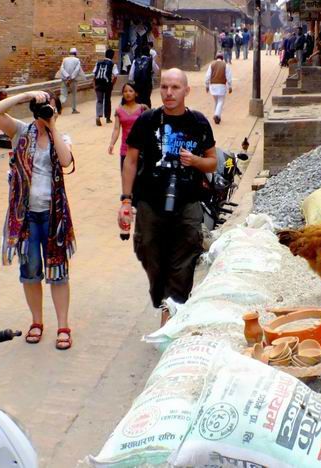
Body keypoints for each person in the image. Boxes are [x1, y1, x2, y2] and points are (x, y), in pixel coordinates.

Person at [118, 68, 217, 327]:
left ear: (186, 90)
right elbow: (130, 161)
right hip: (150, 203)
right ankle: (165, 300)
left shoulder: (198, 122)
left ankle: (171, 317)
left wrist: (195, 161)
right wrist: (126, 201)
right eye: (164, 87)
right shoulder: (147, 120)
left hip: (187, 203)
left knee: (183, 259)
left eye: (175, 87)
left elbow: (213, 163)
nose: (169, 93)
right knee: (149, 252)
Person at [0, 90, 76, 350]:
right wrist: (25, 95)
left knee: (58, 271)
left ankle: (63, 325)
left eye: (50, 107)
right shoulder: (19, 131)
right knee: (29, 271)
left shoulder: (60, 137)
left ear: (57, 111)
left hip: (53, 216)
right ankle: (36, 321)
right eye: (41, 108)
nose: (45, 112)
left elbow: (65, 160)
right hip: (25, 216)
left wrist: (52, 126)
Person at [108, 82, 149, 171]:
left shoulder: (143, 108)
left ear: (136, 93)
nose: (128, 93)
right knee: (126, 178)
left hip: (141, 149)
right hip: (125, 149)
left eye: (131, 91)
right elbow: (116, 129)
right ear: (122, 94)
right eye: (125, 91)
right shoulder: (119, 111)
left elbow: (150, 127)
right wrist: (112, 143)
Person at [93, 49, 119, 126]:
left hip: (98, 84)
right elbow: (115, 76)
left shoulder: (98, 62)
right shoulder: (113, 64)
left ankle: (98, 115)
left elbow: (94, 75)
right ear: (113, 56)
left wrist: (94, 85)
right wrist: (112, 84)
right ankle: (108, 118)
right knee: (107, 100)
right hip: (107, 85)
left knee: (99, 100)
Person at [205, 53, 233, 124]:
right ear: (222, 58)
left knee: (216, 101)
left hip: (213, 85)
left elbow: (207, 76)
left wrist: (207, 85)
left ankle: (218, 116)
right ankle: (217, 115)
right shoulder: (225, 65)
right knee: (220, 101)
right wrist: (230, 86)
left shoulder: (212, 65)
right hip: (221, 85)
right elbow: (228, 77)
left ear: (216, 58)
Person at [59, 48, 85, 114]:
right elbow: (77, 70)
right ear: (75, 54)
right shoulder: (77, 60)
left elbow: (61, 69)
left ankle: (58, 108)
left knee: (63, 94)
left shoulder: (64, 59)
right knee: (74, 95)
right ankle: (74, 109)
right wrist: (71, 78)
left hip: (65, 79)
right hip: (73, 80)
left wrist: (67, 76)